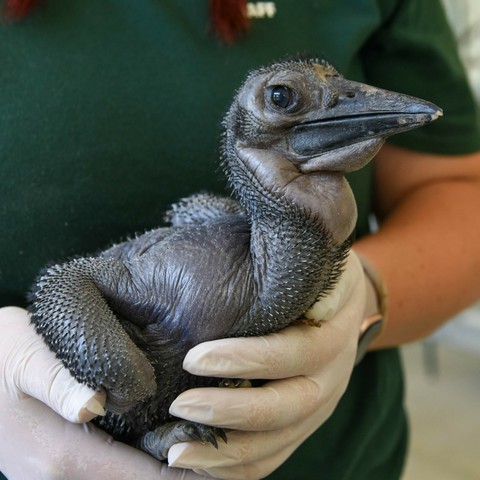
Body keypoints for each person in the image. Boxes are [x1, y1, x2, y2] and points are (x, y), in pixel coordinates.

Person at [1, 0, 479, 479]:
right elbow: (67, 282)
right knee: (130, 380)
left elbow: (456, 190)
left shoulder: (230, 230)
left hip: (341, 459)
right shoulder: (181, 273)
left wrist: (370, 293)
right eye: (283, 98)